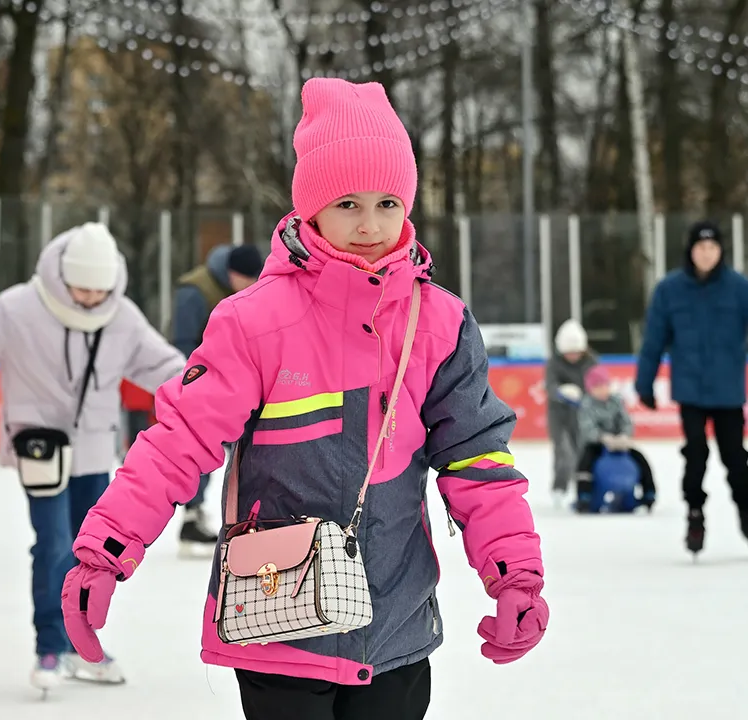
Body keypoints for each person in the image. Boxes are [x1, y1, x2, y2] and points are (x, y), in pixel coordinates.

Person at [61, 78, 549, 720]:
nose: (370, 225)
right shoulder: (253, 322)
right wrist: (105, 551)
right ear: (310, 208)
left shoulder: (440, 325)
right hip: (277, 617)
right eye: (347, 202)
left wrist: (514, 573)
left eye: (387, 203)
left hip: (393, 624)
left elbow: (478, 462)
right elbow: (178, 444)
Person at [0, 223, 186, 691]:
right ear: (62, 278)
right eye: (81, 287)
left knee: (89, 554)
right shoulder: (19, 307)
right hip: (41, 452)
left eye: (99, 289)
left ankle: (82, 643)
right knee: (53, 545)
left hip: (92, 454)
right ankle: (50, 645)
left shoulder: (120, 315)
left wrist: (210, 386)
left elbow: (163, 365)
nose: (89, 298)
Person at [634, 220, 748, 557]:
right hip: (690, 389)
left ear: (721, 252)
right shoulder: (669, 290)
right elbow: (653, 341)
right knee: (695, 455)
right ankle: (694, 515)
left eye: (713, 248)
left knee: (735, 457)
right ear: (690, 252)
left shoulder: (740, 288)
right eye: (701, 248)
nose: (707, 254)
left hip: (728, 390)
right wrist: (644, 383)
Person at [170, 242, 264, 557]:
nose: (251, 286)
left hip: (230, 379)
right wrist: (192, 386)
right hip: (197, 379)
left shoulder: (245, 288)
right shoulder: (195, 293)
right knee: (201, 446)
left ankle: (200, 514)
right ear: (231, 273)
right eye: (246, 279)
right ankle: (191, 515)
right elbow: (181, 343)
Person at [575, 364, 656, 513]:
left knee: (640, 458)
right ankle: (584, 495)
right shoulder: (586, 405)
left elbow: (626, 421)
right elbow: (587, 427)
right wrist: (603, 438)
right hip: (597, 444)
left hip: (620, 443)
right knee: (586, 461)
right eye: (597, 387)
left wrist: (624, 436)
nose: (602, 390)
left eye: (604, 385)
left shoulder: (616, 401)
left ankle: (649, 492)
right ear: (590, 389)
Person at [545, 319, 596, 508]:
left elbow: (597, 382)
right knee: (563, 451)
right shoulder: (554, 363)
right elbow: (549, 385)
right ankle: (559, 487)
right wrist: (561, 392)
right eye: (569, 352)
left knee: (582, 450)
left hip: (583, 413)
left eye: (577, 352)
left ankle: (583, 488)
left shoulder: (591, 361)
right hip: (558, 413)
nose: (573, 356)